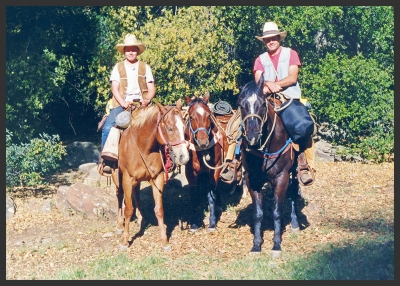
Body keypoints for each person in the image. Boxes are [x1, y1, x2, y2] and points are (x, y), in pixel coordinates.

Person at [253, 21, 315, 186]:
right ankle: (233, 161)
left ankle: (304, 164)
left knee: (302, 124)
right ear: (264, 41)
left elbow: (292, 77)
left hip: (288, 99)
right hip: (265, 99)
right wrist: (266, 85)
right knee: (240, 122)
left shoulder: (291, 54)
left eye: (273, 38)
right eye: (267, 39)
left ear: (279, 38)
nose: (270, 41)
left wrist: (274, 85)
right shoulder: (260, 59)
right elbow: (258, 79)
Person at [99, 34, 156, 174]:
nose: (131, 52)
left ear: (137, 51)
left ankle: (164, 161)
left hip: (141, 104)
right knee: (108, 127)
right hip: (122, 104)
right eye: (128, 49)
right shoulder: (118, 67)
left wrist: (147, 99)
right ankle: (106, 160)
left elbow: (152, 88)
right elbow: (115, 88)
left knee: (161, 125)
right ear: (124, 52)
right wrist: (123, 103)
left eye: (133, 49)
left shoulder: (145, 67)